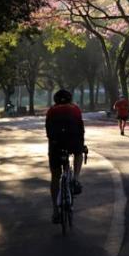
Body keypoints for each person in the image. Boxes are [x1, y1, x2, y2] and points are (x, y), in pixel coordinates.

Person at [46, 89, 85, 224]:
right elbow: (81, 129)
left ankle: (55, 212)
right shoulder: (75, 109)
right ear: (70, 99)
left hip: (56, 144)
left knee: (55, 177)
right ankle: (75, 179)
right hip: (73, 142)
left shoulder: (51, 110)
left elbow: (48, 132)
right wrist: (81, 145)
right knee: (79, 153)